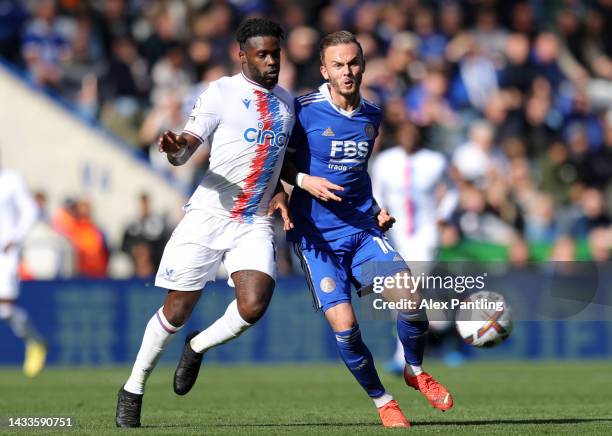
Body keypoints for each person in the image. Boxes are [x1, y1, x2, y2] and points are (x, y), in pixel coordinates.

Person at [115, 18, 295, 428]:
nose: (271, 62)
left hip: (253, 219)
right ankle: (134, 385)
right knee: (176, 311)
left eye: (276, 54)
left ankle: (198, 346)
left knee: (253, 304)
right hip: (208, 215)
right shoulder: (221, 93)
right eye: (262, 54)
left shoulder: (288, 103)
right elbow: (184, 153)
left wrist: (283, 192)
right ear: (242, 55)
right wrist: (175, 148)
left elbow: (286, 162)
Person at [281, 31, 453, 428]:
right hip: (317, 240)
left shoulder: (372, 116)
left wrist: (374, 208)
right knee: (347, 329)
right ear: (324, 70)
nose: (347, 71)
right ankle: (382, 400)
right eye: (338, 65)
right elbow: (280, 166)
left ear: (363, 65)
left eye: (353, 63)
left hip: (361, 231)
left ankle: (413, 369)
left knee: (410, 298)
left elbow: (357, 174)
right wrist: (304, 182)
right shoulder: (303, 111)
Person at [371, 123, 461, 372]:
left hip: (425, 234)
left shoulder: (435, 161)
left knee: (409, 288)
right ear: (398, 135)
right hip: (396, 233)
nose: (409, 136)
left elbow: (453, 191)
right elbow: (376, 194)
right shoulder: (385, 162)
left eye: (414, 132)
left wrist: (444, 214)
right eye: (405, 132)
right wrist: (379, 215)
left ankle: (403, 357)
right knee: (410, 295)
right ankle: (446, 334)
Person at [0, 163, 47, 377]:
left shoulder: (10, 179)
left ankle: (35, 341)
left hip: (5, 253)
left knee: (6, 309)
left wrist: (16, 238)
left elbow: (30, 210)